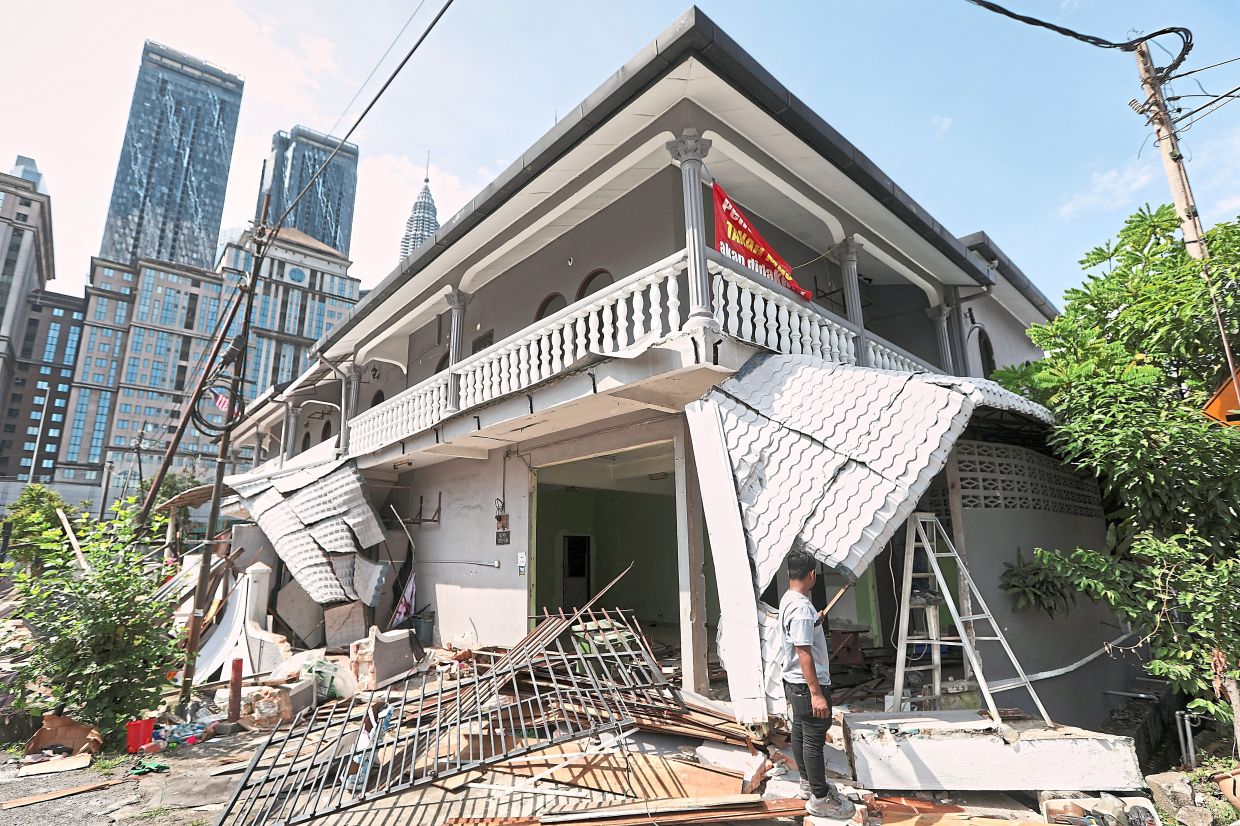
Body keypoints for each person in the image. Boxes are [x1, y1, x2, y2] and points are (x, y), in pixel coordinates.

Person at [780, 549, 854, 819]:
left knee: (800, 733)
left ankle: (807, 785)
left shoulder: (791, 599)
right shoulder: (800, 609)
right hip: (806, 685)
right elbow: (804, 653)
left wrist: (815, 620)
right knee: (813, 741)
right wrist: (816, 694)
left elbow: (801, 631)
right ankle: (821, 800)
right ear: (811, 574)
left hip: (794, 683)